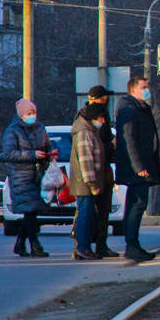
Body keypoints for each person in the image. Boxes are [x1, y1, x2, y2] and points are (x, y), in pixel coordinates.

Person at [0, 98, 54, 258]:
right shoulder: (12, 130)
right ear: (21, 115)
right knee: (30, 211)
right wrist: (32, 154)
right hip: (21, 176)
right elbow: (9, 153)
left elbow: (48, 145)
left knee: (32, 211)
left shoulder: (40, 128)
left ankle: (20, 244)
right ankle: (35, 245)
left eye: (34, 112)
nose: (32, 116)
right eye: (29, 113)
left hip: (38, 175)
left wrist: (51, 153)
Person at [116, 75, 160, 262]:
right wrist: (139, 166)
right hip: (136, 169)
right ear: (133, 90)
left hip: (142, 165)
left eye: (147, 86)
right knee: (137, 205)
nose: (147, 90)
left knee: (137, 205)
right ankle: (131, 246)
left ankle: (134, 245)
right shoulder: (129, 110)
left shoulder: (141, 109)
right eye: (144, 87)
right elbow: (129, 141)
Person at [70, 103, 109, 260]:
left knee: (86, 213)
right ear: (93, 117)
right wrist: (92, 184)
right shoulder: (85, 133)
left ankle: (84, 248)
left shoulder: (89, 131)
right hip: (85, 183)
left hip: (85, 182)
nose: (103, 121)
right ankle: (83, 248)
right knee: (85, 214)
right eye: (101, 118)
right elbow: (86, 162)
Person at [84, 85, 119, 258]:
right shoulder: (87, 119)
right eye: (104, 99)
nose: (106, 102)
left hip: (105, 171)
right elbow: (96, 149)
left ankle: (101, 245)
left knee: (104, 210)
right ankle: (83, 245)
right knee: (87, 211)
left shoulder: (102, 117)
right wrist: (112, 145)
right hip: (94, 172)